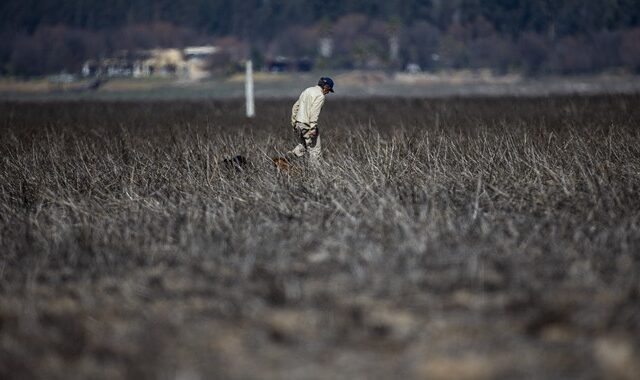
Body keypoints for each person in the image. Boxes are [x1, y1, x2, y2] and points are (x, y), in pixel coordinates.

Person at [288, 77, 334, 164]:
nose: (328, 93)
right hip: (307, 125)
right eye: (329, 90)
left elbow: (295, 107)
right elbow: (314, 112)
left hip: (298, 124)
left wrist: (294, 122)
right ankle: (315, 173)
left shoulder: (307, 90)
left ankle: (289, 158)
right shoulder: (320, 96)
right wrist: (313, 128)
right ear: (326, 87)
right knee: (315, 150)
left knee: (304, 145)